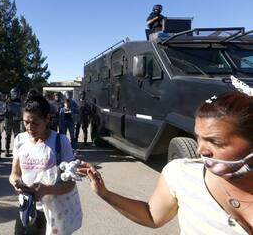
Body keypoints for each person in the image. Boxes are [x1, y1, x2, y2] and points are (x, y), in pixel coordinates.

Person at [79, 91, 253, 234]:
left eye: (214, 141)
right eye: (198, 138)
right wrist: (105, 193)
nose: (200, 150)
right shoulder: (181, 174)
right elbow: (152, 216)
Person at [9, 93, 78, 234]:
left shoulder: (60, 141)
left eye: (35, 123)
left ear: (47, 119)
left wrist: (47, 190)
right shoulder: (20, 140)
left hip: (54, 212)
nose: (29, 127)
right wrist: (16, 183)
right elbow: (14, 173)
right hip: (26, 207)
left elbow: (70, 183)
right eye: (26, 122)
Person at [5, 87, 23, 157]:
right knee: (8, 136)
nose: (15, 95)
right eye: (14, 93)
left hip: (17, 121)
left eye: (16, 93)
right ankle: (7, 150)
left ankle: (17, 150)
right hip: (8, 120)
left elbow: (22, 110)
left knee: (17, 136)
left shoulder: (20, 102)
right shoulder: (7, 101)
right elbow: (4, 110)